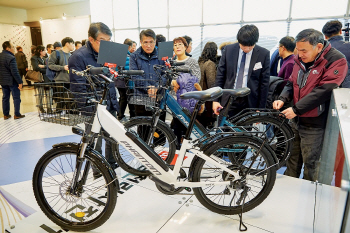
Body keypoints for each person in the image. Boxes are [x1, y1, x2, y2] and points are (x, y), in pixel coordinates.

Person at [273, 29, 348, 181]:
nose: (300, 55)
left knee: (312, 164)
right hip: (295, 119)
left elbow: (324, 91)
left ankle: (309, 197)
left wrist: (296, 109)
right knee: (292, 159)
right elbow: (291, 82)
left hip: (315, 122)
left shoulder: (336, 60)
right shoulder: (299, 58)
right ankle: (290, 189)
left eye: (304, 51)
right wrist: (283, 98)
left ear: (319, 47)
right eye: (298, 50)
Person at [69, 22, 119, 174]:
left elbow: (111, 78)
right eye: (103, 41)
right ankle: (98, 169)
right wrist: (87, 109)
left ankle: (112, 163)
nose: (107, 45)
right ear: (91, 39)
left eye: (109, 41)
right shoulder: (78, 57)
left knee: (112, 137)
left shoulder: (109, 53)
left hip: (109, 102)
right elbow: (78, 87)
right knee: (94, 140)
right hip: (92, 106)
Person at [213, 24, 270, 118]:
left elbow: (264, 83)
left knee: (245, 131)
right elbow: (220, 75)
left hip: (250, 100)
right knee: (223, 130)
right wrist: (215, 100)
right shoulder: (228, 50)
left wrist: (261, 108)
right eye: (243, 46)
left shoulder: (263, 54)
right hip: (229, 98)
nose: (247, 49)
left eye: (250, 46)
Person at [129, 29, 166, 119]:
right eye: (145, 42)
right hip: (141, 98)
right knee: (142, 127)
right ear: (141, 42)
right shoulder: (134, 56)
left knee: (160, 128)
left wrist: (156, 87)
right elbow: (134, 75)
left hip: (159, 96)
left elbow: (166, 74)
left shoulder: (162, 54)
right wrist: (148, 87)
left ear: (155, 41)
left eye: (151, 42)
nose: (148, 45)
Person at [0, 41, 25, 119]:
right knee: (16, 97)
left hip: (3, 81)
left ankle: (6, 114)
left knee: (5, 97)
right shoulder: (11, 57)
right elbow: (14, 72)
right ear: (8, 48)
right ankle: (17, 114)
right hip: (12, 81)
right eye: (12, 47)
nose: (13, 49)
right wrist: (20, 82)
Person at [322, 20, 350, 88]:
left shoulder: (321, 49)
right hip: (347, 87)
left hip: (327, 87)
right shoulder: (348, 46)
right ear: (340, 31)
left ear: (325, 36)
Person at [197, 42, 218, 128]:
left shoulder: (200, 62)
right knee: (206, 126)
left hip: (200, 97)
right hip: (208, 99)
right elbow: (211, 83)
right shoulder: (210, 64)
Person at [115, 38, 135, 122]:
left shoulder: (119, 54)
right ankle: (125, 116)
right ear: (129, 47)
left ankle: (120, 115)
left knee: (123, 98)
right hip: (125, 82)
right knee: (127, 99)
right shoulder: (127, 56)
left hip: (119, 82)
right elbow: (128, 69)